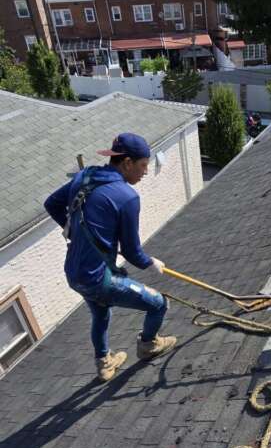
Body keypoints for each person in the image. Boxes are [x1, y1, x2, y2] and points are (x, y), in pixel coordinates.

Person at [44, 132, 176, 382]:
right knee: (159, 304)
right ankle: (148, 345)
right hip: (98, 279)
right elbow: (132, 253)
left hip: (74, 274)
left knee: (101, 313)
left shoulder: (85, 176)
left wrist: (72, 230)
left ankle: (104, 362)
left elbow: (52, 203)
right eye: (143, 165)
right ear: (127, 163)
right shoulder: (127, 197)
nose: (145, 172)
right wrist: (152, 262)